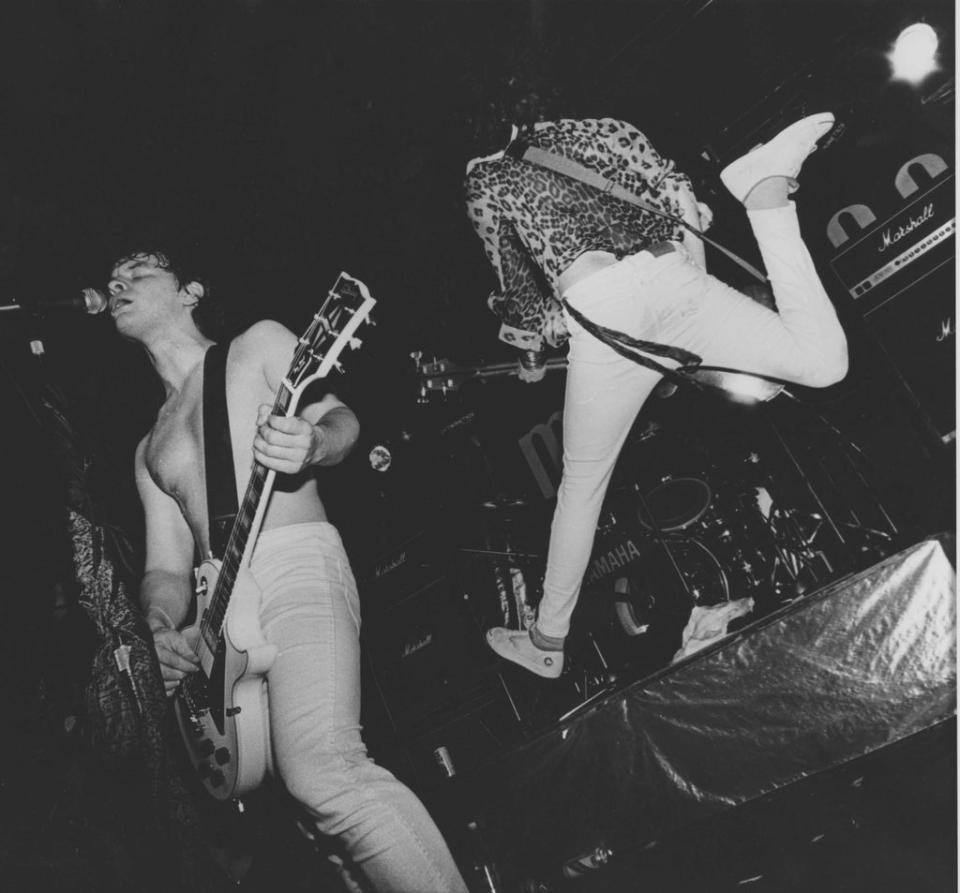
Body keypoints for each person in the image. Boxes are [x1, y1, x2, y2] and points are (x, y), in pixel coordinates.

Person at [107, 247, 468, 893]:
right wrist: (159, 626)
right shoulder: (148, 444)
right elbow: (166, 564)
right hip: (220, 622)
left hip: (294, 562)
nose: (117, 280)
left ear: (190, 289)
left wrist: (314, 443)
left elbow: (339, 417)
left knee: (324, 772)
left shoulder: (257, 345)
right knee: (312, 824)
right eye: (114, 275)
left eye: (139, 267)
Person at [465, 112, 849, 679]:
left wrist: (531, 342)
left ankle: (548, 641)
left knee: (582, 486)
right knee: (823, 364)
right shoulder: (594, 128)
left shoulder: (483, 177)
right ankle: (766, 194)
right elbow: (674, 189)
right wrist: (693, 287)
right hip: (671, 275)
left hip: (604, 307)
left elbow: (517, 282)